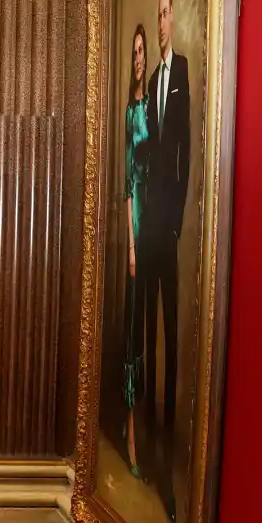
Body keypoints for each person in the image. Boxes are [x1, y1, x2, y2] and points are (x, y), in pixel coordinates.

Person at [143, 0, 190, 523]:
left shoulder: (181, 77)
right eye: (155, 15)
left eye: (165, 14)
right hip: (145, 227)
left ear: (175, 18)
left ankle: (171, 474)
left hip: (168, 228)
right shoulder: (153, 79)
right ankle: (152, 457)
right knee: (148, 339)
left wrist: (175, 224)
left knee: (172, 340)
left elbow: (187, 149)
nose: (160, 23)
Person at [121, 25, 149, 481]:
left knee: (148, 338)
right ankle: (129, 434)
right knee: (131, 333)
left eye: (143, 51)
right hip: (137, 226)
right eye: (136, 52)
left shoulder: (158, 107)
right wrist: (130, 244)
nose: (140, 58)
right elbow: (128, 187)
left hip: (158, 222)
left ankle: (143, 431)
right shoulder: (131, 112)